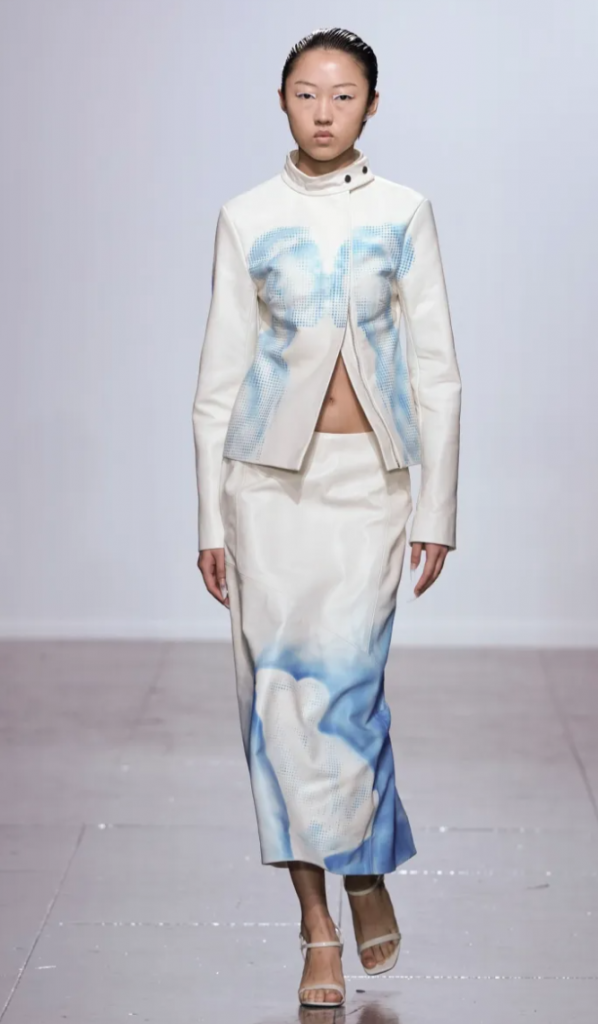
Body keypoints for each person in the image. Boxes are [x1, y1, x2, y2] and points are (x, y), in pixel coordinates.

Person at [192, 26, 462, 1009]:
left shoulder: (404, 211)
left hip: (369, 487)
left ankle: (364, 865)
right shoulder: (247, 216)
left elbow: (436, 369)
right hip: (266, 488)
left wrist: (437, 507)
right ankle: (317, 926)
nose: (323, 111)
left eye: (343, 95)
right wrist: (210, 521)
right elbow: (218, 381)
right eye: (306, 93)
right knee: (274, 709)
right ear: (282, 100)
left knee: (345, 700)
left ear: (371, 106)